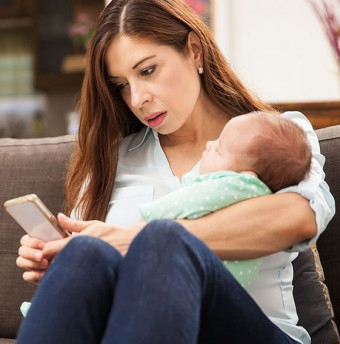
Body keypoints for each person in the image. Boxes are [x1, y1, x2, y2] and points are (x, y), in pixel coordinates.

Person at [15, 0, 335, 343]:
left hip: (250, 331)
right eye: (121, 85)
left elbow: (300, 216)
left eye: (148, 71)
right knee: (83, 254)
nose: (137, 98)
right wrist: (56, 263)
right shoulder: (110, 161)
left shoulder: (276, 136)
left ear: (194, 52)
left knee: (162, 239)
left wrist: (131, 238)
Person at [140, 110, 312, 289]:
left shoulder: (235, 186)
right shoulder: (260, 194)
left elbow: (182, 204)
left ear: (246, 175)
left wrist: (144, 218)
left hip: (198, 287)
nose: (209, 145)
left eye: (219, 150)